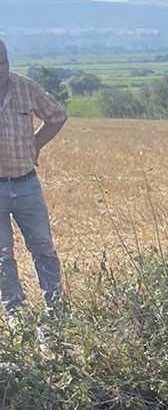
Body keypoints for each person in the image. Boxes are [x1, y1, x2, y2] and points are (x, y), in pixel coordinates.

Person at [0, 40, 67, 315]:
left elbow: (56, 116)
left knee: (43, 248)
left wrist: (35, 144)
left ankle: (57, 311)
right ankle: (15, 314)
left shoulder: (26, 88)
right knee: (2, 255)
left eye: (2, 61)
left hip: (26, 183)